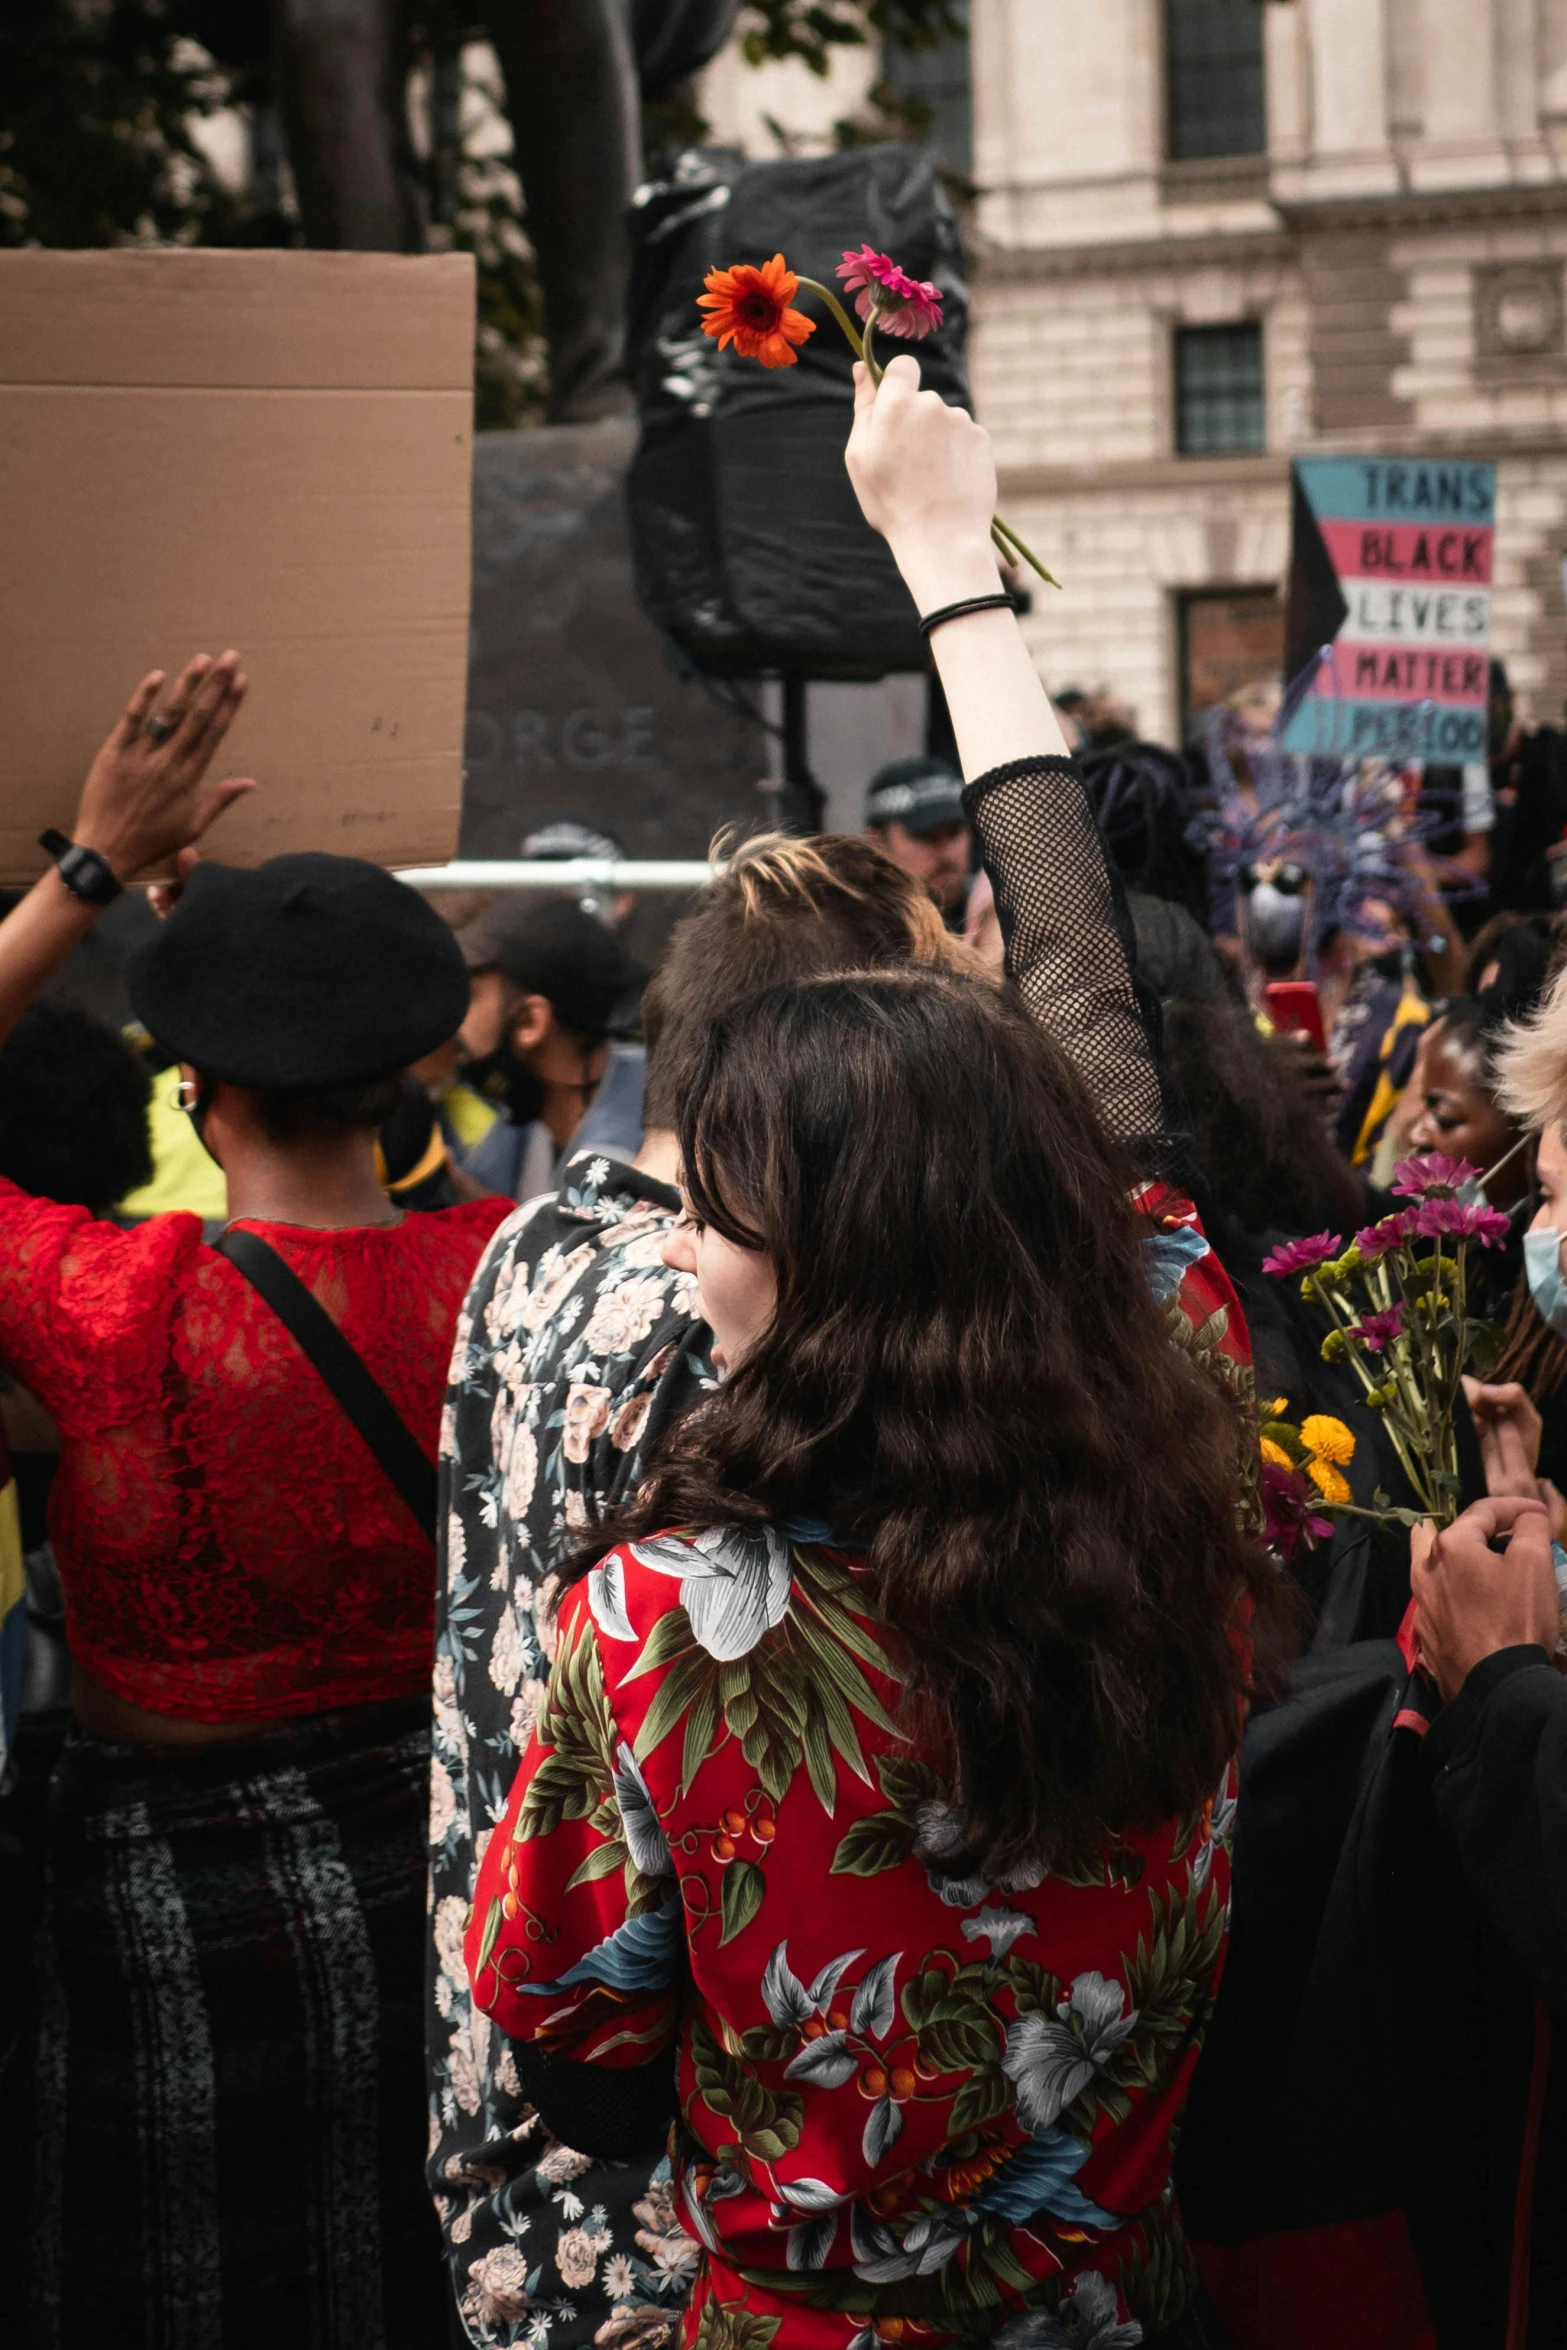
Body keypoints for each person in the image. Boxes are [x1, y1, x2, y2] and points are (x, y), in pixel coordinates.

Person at [463, 355, 1286, 2349]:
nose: (685, 1240)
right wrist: (946, 565)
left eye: (717, 1203)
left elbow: (570, 2038)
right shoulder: (1179, 1457)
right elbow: (1087, 1005)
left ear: (821, 1258)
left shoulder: (657, 1614)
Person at [0, 651, 513, 2349]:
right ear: (413, 1068)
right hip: (444, 1865)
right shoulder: (518, 1274)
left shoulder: (105, 1300)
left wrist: (86, 868)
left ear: (187, 1085)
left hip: (157, 1893)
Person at [430, 831, 987, 2348]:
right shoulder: (728, 1377)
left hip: (554, 2060)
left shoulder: (530, 1242)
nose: (686, 1248)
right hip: (703, 2147)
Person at [458, 895, 649, 1201]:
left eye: (471, 995)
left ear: (531, 1022)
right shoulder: (531, 1116)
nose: (454, 1019)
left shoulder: (620, 1156)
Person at [861, 754, 972, 918]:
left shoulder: (1001, 910)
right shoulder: (856, 930)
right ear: (876, 844)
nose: (945, 851)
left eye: (954, 832)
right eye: (925, 836)